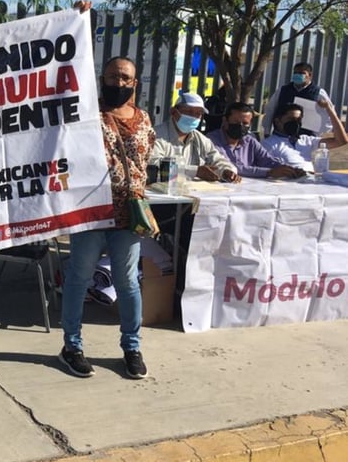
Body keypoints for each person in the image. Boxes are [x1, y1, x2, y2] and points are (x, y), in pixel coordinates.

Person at [58, 56, 155, 380]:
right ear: (102, 78)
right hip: (91, 213)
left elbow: (146, 160)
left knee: (128, 283)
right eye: (113, 76)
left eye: (126, 77)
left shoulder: (144, 120)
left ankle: (132, 347)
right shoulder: (86, 113)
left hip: (129, 217)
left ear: (135, 83)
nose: (119, 83)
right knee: (79, 279)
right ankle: (71, 346)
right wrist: (80, 19)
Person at [150, 92, 239, 182]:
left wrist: (226, 171)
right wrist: (195, 171)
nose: (193, 116)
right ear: (173, 112)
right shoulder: (156, 135)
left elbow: (217, 159)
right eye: (188, 111)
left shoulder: (201, 139)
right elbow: (153, 164)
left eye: (198, 113)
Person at [206, 102, 305, 179]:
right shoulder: (212, 140)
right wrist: (268, 172)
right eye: (236, 122)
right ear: (225, 121)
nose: (240, 126)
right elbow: (230, 167)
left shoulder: (249, 141)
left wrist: (289, 170)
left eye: (245, 123)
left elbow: (268, 161)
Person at [262, 101, 348, 171]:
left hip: (311, 182)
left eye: (299, 120)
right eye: (291, 119)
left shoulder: (305, 140)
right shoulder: (269, 144)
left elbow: (341, 141)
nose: (295, 123)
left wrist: (330, 110)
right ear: (277, 121)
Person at [261, 62, 333, 136]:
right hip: (281, 135)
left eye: (301, 73)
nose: (297, 75)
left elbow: (328, 116)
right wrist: (267, 132)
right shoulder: (283, 90)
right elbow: (270, 110)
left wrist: (317, 136)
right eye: (295, 73)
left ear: (310, 75)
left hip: (306, 137)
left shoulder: (318, 93)